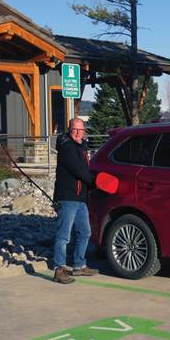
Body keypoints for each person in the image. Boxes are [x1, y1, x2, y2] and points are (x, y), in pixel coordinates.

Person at [52, 117, 99, 284]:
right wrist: (96, 182)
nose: (78, 133)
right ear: (69, 129)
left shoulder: (81, 147)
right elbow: (79, 170)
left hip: (80, 199)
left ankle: (79, 265)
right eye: (75, 130)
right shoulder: (67, 147)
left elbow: (84, 169)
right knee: (63, 236)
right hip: (67, 198)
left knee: (85, 232)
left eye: (81, 130)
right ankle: (59, 269)